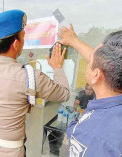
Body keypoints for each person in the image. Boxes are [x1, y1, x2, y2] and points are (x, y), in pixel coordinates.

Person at [0, 9, 70, 157]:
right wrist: (58, 68)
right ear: (16, 44)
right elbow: (64, 94)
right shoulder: (30, 77)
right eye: (23, 37)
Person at [58, 24, 122, 156]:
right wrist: (74, 41)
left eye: (89, 61)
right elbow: (107, 63)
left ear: (96, 75)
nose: (88, 60)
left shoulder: (92, 137)